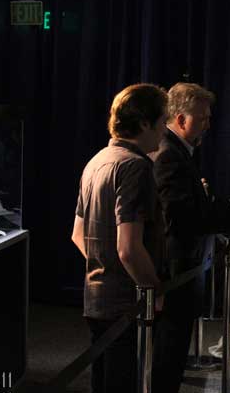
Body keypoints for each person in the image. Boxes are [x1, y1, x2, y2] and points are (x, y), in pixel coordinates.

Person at [152, 82, 230, 393]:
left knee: (174, 346)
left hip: (184, 265)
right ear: (181, 119)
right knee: (170, 346)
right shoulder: (170, 154)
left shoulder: (179, 151)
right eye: (203, 117)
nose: (209, 124)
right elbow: (183, 218)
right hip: (177, 266)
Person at [71, 83, 167, 393]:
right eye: (163, 120)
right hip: (127, 303)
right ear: (143, 124)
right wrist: (154, 289)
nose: (164, 130)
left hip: (96, 298)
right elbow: (128, 248)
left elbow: (77, 234)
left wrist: (104, 267)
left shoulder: (96, 160)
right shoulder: (136, 167)